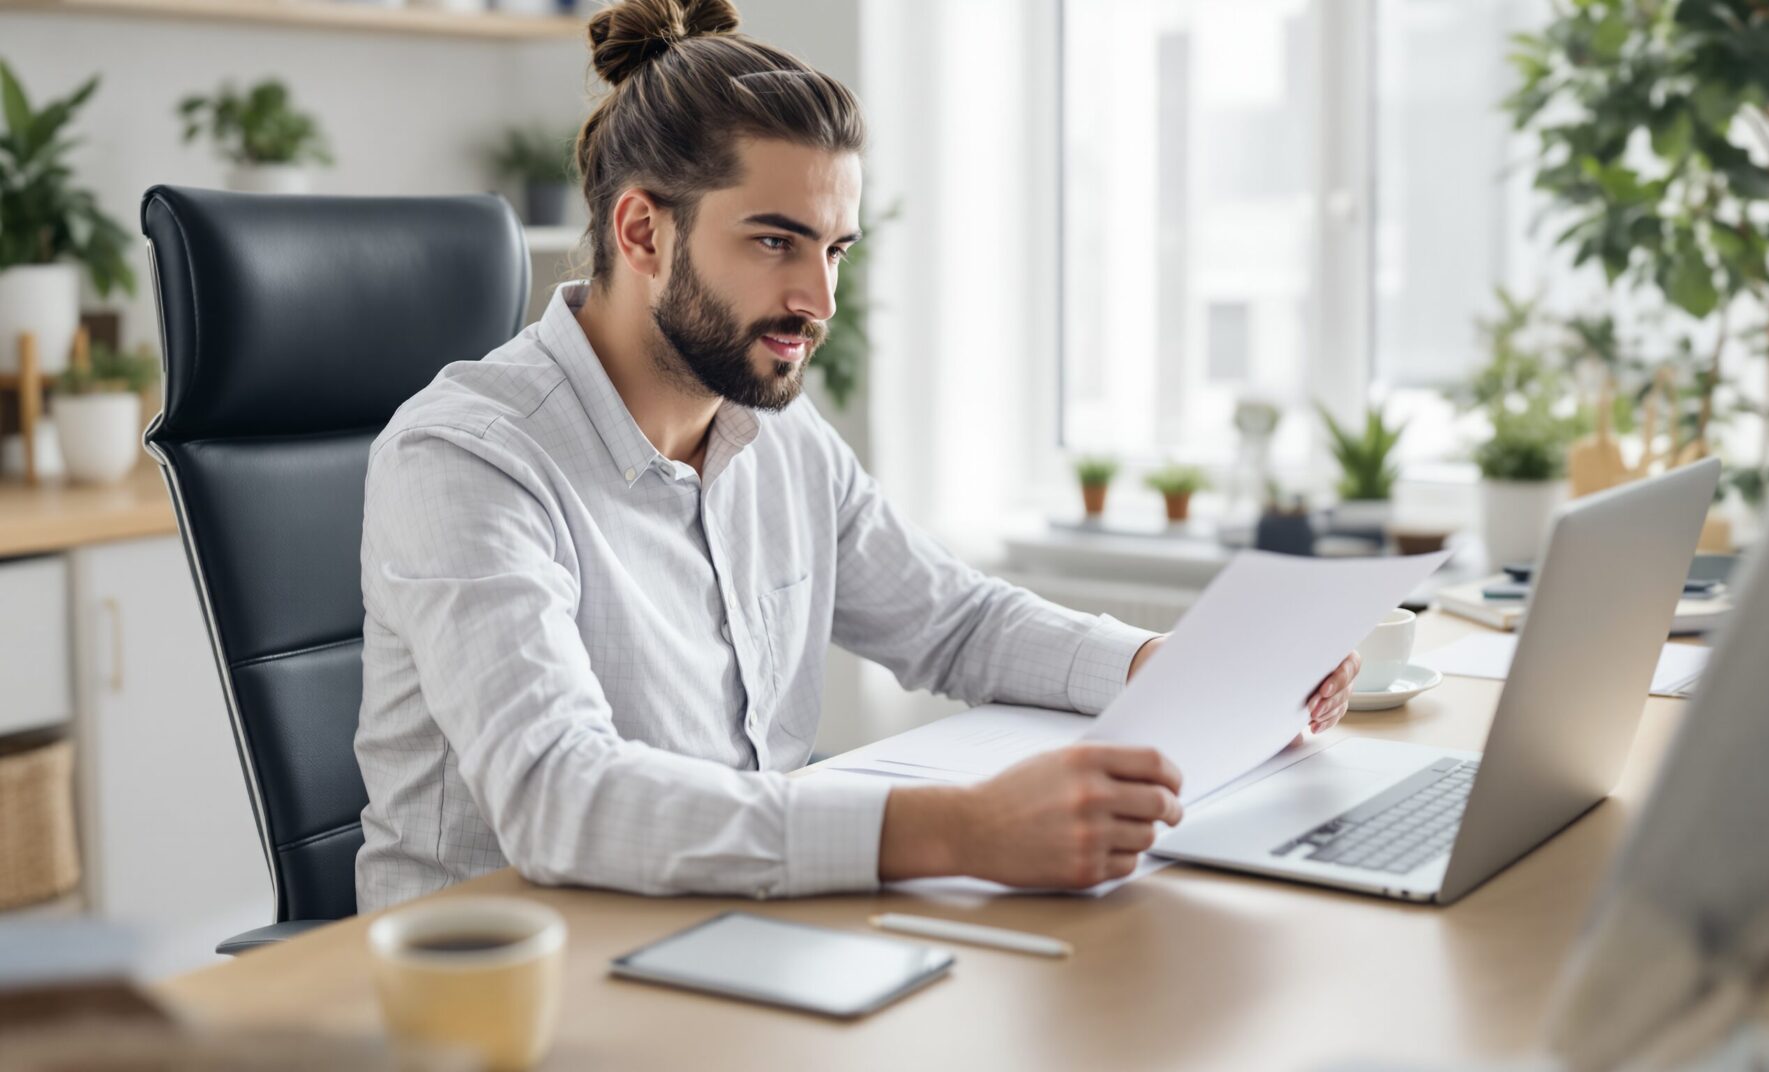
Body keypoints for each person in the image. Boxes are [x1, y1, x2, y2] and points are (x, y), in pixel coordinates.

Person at [353, 0, 1360, 911]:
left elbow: (958, 623)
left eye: (834, 250)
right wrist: (965, 830)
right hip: (493, 976)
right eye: (775, 243)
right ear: (643, 230)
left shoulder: (778, 437)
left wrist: (1166, 666)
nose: (819, 303)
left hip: (722, 921)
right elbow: (558, 794)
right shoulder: (469, 460)